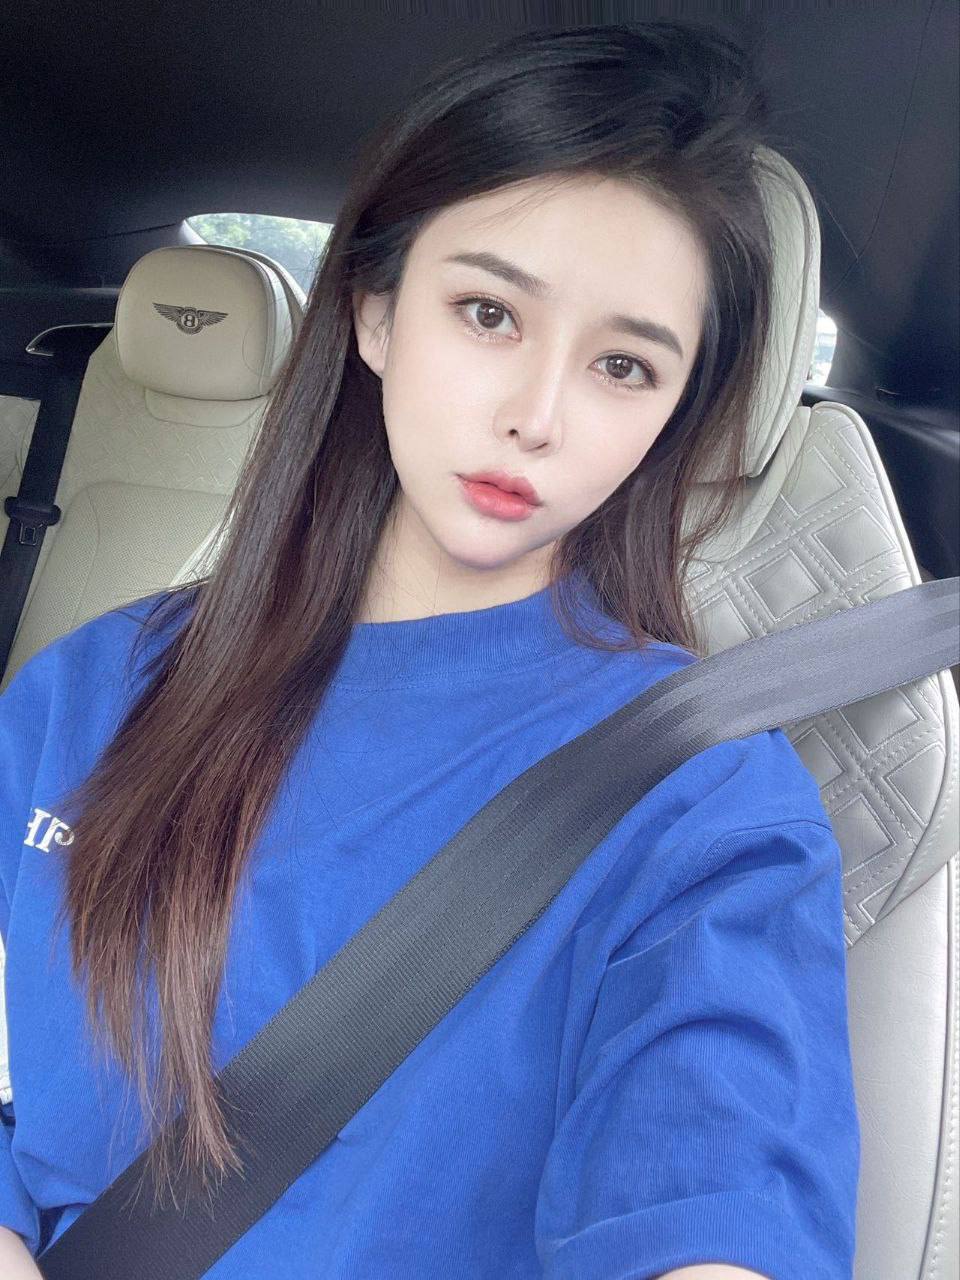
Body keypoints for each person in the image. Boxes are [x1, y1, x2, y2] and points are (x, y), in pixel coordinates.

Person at [0, 20, 859, 1280]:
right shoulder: (86, 690)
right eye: (489, 312)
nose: (537, 415)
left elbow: (710, 1200)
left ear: (674, 414)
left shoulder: (706, 801)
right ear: (375, 312)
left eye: (624, 364)